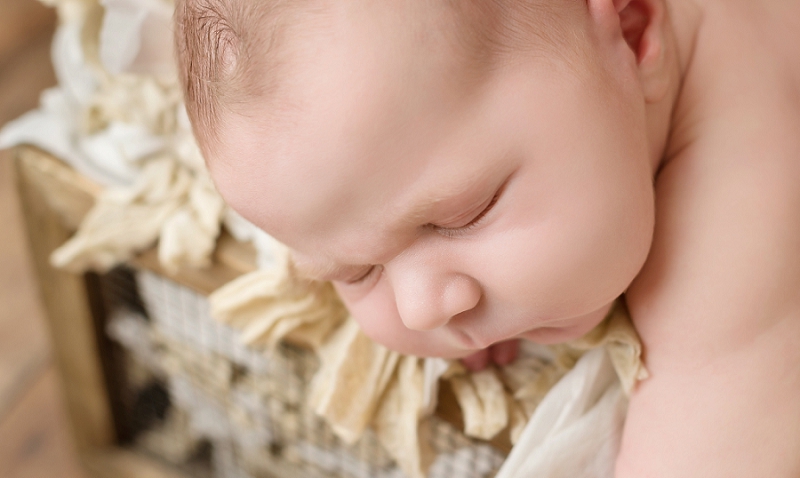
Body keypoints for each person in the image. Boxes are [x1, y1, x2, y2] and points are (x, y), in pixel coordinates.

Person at [174, 0, 800, 475]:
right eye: (354, 273)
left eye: (462, 215)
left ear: (633, 34)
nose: (421, 309)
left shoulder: (738, 226)